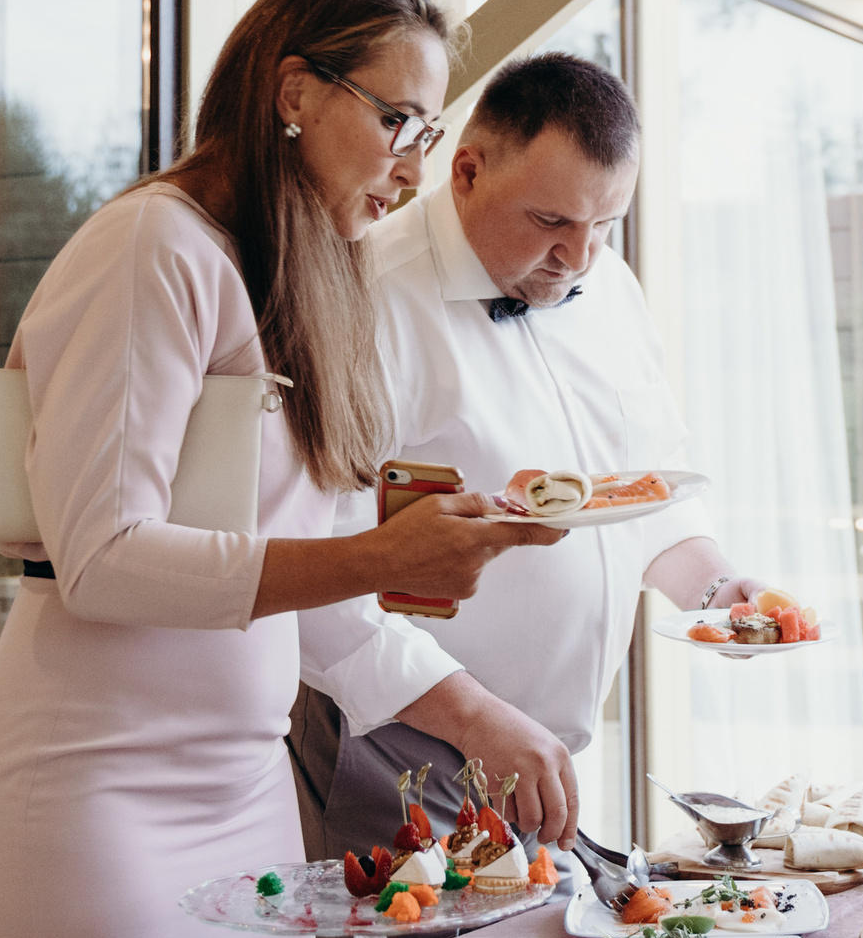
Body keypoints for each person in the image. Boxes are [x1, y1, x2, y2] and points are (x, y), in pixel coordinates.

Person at [0, 0, 565, 938]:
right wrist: (381, 554)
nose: (411, 169)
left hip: (247, 793)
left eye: (425, 135)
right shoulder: (154, 248)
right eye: (397, 123)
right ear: (295, 94)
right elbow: (100, 557)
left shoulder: (292, 275)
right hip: (95, 793)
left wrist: (475, 716)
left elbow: (313, 596)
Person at [292, 52, 772, 855]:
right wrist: (476, 717)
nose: (580, 257)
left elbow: (647, 482)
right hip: (393, 753)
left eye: (604, 225)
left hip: (538, 762)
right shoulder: (364, 300)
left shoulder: (607, 284)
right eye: (551, 223)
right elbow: (319, 580)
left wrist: (718, 588)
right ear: (469, 171)